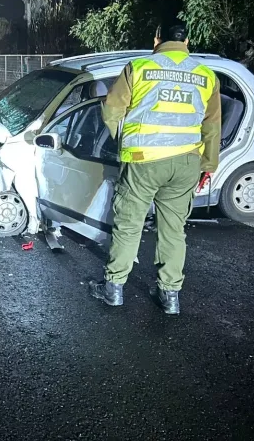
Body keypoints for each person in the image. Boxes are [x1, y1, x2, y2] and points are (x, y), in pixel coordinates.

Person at [89, 20, 221, 315]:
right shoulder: (206, 75)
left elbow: (112, 110)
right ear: (187, 42)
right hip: (186, 163)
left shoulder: (139, 67)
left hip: (143, 160)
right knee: (173, 230)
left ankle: (113, 289)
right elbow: (212, 126)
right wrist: (208, 165)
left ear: (156, 39)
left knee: (129, 224)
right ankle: (170, 295)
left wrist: (124, 141)